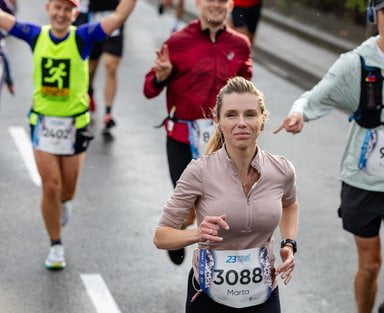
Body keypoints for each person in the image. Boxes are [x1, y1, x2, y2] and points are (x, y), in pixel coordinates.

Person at [275, 1, 384, 312]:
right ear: (375, 15)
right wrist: (298, 114)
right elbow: (315, 96)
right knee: (370, 266)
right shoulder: (356, 62)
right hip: (362, 181)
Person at [0, 0, 136, 270]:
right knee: (50, 186)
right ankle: (55, 245)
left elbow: (119, 16)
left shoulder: (83, 37)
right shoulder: (34, 34)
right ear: (48, 9)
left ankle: (64, 202)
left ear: (74, 14)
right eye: (57, 8)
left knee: (67, 189)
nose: (61, 14)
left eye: (67, 9)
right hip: (43, 124)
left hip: (74, 126)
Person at [154, 76, 298, 313]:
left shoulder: (281, 170)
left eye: (250, 114)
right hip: (209, 298)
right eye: (231, 115)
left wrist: (289, 243)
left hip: (264, 296)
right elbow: (161, 236)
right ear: (217, 121)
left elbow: (290, 205)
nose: (241, 123)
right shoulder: (199, 172)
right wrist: (196, 235)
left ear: (262, 120)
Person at [143, 0, 252, 265]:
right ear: (198, 3)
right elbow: (148, 89)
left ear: (229, 5)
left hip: (222, 143)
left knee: (222, 208)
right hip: (182, 139)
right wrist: (161, 76)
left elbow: (246, 88)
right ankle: (180, 229)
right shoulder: (178, 41)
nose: (215, 5)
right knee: (190, 208)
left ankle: (219, 270)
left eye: (221, 0)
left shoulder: (239, 44)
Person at [88, 0, 127, 133]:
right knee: (89, 68)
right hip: (93, 19)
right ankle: (88, 91)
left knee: (111, 66)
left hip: (115, 19)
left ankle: (108, 113)